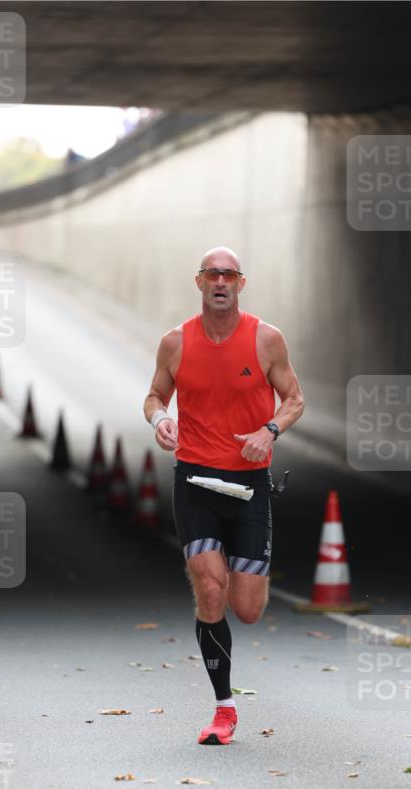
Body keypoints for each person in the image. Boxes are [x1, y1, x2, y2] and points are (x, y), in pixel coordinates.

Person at [143, 247, 304, 745]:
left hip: (249, 483)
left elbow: (295, 399)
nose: (219, 281)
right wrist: (160, 420)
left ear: (240, 283)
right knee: (209, 588)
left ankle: (249, 570)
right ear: (199, 282)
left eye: (228, 275)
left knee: (248, 607)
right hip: (194, 482)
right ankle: (223, 709)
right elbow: (154, 396)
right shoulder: (175, 342)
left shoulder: (266, 339)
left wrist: (270, 431)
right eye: (211, 274)